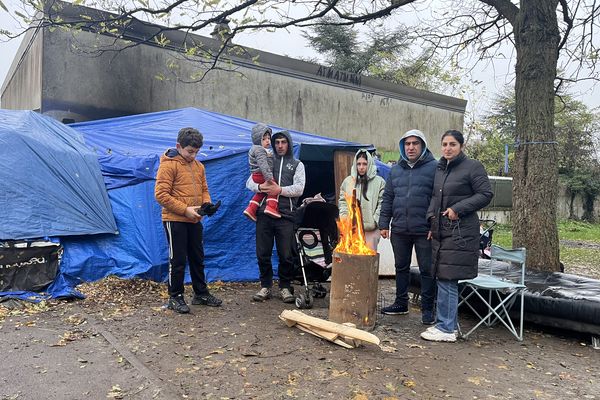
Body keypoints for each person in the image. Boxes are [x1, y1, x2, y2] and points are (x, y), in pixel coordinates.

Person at [421, 129, 493, 342]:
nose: (447, 148)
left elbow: (486, 194)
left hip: (460, 231)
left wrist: (458, 208)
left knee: (448, 278)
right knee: (443, 277)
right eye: (444, 144)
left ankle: (447, 328)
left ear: (461, 146)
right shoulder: (441, 169)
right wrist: (431, 222)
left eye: (452, 144)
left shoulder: (473, 167)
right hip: (441, 231)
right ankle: (445, 324)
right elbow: (435, 198)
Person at [154, 127, 223, 314]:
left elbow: (204, 189)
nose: (193, 155)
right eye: (190, 151)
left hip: (194, 219)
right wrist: (185, 210)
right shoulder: (169, 164)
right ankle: (174, 297)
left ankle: (200, 293)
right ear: (179, 146)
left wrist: (206, 204)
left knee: (197, 257)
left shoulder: (199, 166)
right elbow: (160, 195)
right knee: (177, 260)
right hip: (174, 219)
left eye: (196, 152)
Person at [378, 129, 437, 325]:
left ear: (423, 146)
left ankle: (428, 309)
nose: (411, 147)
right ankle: (401, 303)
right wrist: (384, 223)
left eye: (415, 143)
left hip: (424, 230)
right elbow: (388, 198)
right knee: (400, 267)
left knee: (427, 270)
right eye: (407, 144)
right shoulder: (395, 170)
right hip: (400, 229)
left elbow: (439, 199)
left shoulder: (435, 168)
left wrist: (434, 224)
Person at [246, 130, 306, 303]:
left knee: (286, 254)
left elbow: (300, 188)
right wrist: (260, 188)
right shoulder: (266, 157)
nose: (280, 146)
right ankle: (265, 286)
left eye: (283, 142)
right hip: (264, 214)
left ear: (289, 143)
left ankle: (285, 287)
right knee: (262, 253)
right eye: (277, 142)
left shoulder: (297, 164)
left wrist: (280, 190)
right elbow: (250, 182)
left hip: (286, 215)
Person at [338, 149, 386, 251]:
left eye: (364, 164)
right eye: (358, 164)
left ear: (369, 164)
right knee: (353, 261)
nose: (361, 167)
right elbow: (343, 201)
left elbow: (382, 203)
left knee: (368, 262)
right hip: (352, 230)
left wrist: (375, 220)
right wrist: (345, 217)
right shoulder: (348, 182)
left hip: (371, 230)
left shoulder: (379, 182)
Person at [243, 123, 281, 221]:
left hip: (257, 175)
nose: (267, 141)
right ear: (257, 140)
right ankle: (271, 207)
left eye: (268, 138)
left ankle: (251, 209)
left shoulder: (259, 149)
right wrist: (269, 179)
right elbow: (263, 165)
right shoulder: (259, 149)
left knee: (261, 193)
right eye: (264, 139)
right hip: (262, 175)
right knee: (273, 189)